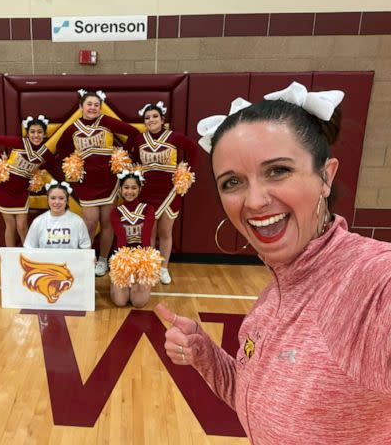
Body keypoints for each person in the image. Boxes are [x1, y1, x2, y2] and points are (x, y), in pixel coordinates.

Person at [157, 82, 391, 444]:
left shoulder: (370, 282)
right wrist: (204, 353)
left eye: (277, 171)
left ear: (325, 176)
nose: (254, 201)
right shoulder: (274, 295)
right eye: (232, 181)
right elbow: (254, 398)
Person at [55, 90, 140, 275]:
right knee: (90, 222)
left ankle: (103, 260)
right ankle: (86, 258)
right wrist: (73, 165)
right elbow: (61, 149)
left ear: (100, 108)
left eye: (96, 105)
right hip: (86, 184)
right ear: (81, 107)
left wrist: (122, 154)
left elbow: (133, 133)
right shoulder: (73, 128)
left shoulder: (106, 122)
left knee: (107, 222)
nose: (93, 108)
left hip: (109, 181)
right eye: (89, 104)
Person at [131, 101, 197, 285]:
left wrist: (185, 171)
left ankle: (164, 268)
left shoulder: (174, 137)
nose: (151, 120)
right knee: (149, 232)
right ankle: (150, 266)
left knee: (165, 232)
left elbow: (192, 149)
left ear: (162, 119)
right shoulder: (139, 140)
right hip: (147, 192)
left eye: (155, 116)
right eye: (147, 117)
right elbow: (134, 159)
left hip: (169, 191)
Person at [0, 115, 54, 246]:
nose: (36, 135)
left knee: (22, 226)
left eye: (39, 132)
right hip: (4, 189)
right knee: (10, 225)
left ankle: (28, 256)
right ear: (27, 133)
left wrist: (37, 173)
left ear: (44, 134)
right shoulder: (19, 143)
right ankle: (10, 259)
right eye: (32, 132)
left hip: (22, 192)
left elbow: (49, 164)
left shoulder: (45, 153)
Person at [109, 171, 155, 308]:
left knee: (138, 302)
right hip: (123, 257)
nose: (130, 191)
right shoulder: (115, 212)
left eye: (134, 188)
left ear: (140, 189)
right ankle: (114, 282)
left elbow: (146, 238)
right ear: (121, 190)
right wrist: (125, 267)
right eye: (126, 187)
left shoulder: (148, 209)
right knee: (120, 302)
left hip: (142, 258)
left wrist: (142, 266)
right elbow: (121, 239)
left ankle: (137, 284)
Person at [24, 180, 91, 250]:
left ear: (67, 200)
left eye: (61, 198)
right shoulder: (38, 222)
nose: (57, 202)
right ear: (48, 199)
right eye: (53, 198)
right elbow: (29, 249)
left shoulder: (78, 222)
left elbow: (86, 249)